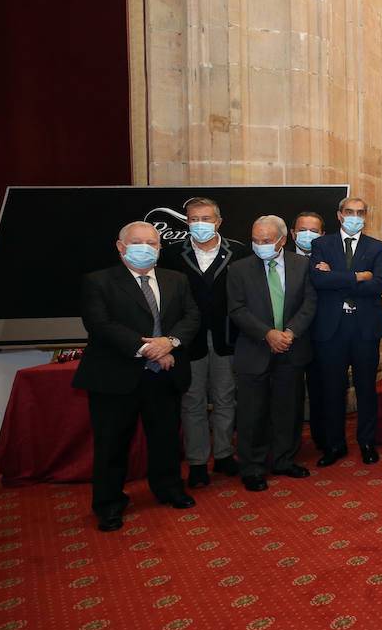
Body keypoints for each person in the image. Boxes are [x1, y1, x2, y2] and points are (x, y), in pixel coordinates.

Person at [73, 221, 200, 531]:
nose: (146, 248)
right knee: (112, 444)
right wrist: (148, 349)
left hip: (163, 376)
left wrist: (168, 342)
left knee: (166, 438)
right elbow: (100, 325)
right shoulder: (98, 281)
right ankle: (109, 503)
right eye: (138, 242)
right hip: (115, 378)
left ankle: (169, 488)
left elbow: (191, 316)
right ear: (121, 247)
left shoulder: (176, 279)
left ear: (159, 248)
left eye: (152, 243)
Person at [159, 197, 247, 488]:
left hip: (226, 338)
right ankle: (197, 462)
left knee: (225, 398)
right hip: (187, 340)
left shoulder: (238, 251)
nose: (200, 224)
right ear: (186, 222)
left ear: (218, 222)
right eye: (194, 219)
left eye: (206, 219)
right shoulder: (172, 254)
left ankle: (223, 454)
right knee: (193, 401)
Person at [227, 216, 317, 491]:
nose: (260, 245)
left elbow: (309, 303)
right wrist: (268, 334)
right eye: (256, 241)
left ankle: (284, 459)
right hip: (255, 349)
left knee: (288, 409)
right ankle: (252, 467)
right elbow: (237, 309)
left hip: (291, 348)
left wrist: (289, 333)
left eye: (266, 241)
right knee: (252, 413)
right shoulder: (239, 269)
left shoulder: (303, 266)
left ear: (282, 239)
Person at [308, 196, 382, 466]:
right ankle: (335, 445)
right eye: (350, 212)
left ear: (366, 216)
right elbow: (319, 280)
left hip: (365, 327)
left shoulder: (376, 247)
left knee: (367, 388)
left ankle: (367, 442)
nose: (355, 216)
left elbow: (376, 285)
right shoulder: (320, 244)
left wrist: (336, 276)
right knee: (333, 389)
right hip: (331, 328)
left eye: (360, 212)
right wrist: (357, 276)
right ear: (340, 214)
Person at [288, 211, 328, 444]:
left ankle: (322, 440)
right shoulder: (280, 258)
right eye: (302, 230)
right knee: (290, 395)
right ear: (292, 234)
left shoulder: (330, 258)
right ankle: (288, 444)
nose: (307, 235)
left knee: (321, 391)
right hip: (290, 336)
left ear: (322, 234)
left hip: (322, 335)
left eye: (313, 231)